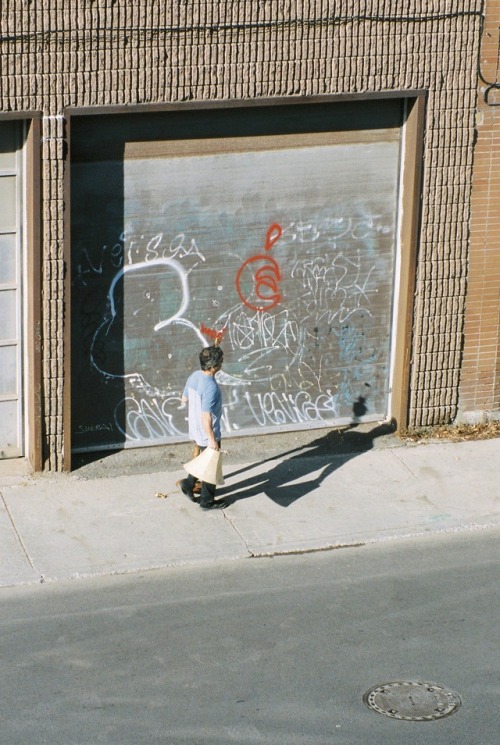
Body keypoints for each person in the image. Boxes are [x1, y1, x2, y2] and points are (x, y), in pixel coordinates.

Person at [178, 345, 228, 510]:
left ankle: (188, 483)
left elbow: (184, 398)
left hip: (195, 429)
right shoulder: (211, 387)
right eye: (220, 361)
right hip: (207, 432)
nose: (222, 363)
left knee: (203, 461)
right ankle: (207, 501)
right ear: (214, 367)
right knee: (211, 467)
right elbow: (206, 416)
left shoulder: (194, 376)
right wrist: (212, 440)